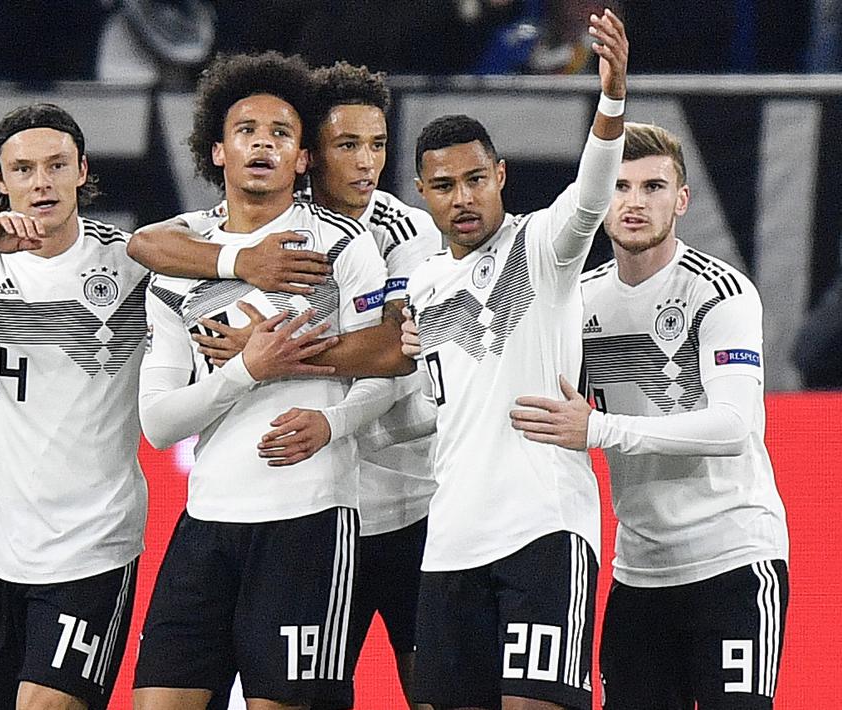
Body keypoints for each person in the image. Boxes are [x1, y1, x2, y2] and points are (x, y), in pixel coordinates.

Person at [134, 61, 440, 710]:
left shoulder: (351, 245)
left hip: (319, 514)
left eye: (280, 132)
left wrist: (316, 402)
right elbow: (159, 423)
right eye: (246, 129)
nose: (263, 143)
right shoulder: (181, 259)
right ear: (217, 150)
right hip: (207, 517)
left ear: (299, 159)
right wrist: (248, 368)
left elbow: (394, 355)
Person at [507, 122, 790, 709]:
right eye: (620, 185)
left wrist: (600, 429)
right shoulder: (577, 299)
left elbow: (737, 425)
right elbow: (505, 370)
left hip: (734, 560)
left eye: (654, 187)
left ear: (682, 200)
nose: (635, 202)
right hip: (638, 572)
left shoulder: (720, 292)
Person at [399, 9, 628, 709]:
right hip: (449, 544)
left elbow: (591, 194)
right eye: (444, 186)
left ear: (499, 175)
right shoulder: (421, 287)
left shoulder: (541, 248)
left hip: (541, 530)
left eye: (475, 179)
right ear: (422, 194)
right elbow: (441, 410)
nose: (462, 198)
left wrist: (612, 97)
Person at [0, 103, 148, 710]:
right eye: (23, 169)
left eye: (56, 165)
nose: (41, 182)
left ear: (82, 171)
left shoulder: (131, 266)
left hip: (91, 546)